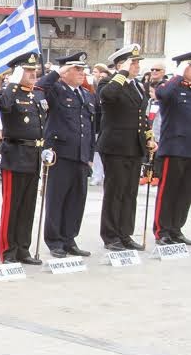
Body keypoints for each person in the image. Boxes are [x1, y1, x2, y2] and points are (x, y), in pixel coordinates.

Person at [36, 53, 95, 258]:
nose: (82, 73)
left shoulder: (86, 95)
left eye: (83, 69)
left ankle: (69, 238)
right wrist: (56, 72)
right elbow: (40, 87)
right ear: (65, 71)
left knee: (76, 200)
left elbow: (89, 126)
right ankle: (55, 241)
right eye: (77, 69)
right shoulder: (56, 90)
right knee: (57, 198)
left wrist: (89, 154)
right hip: (60, 154)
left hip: (80, 155)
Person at [96, 44, 154, 252]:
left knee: (130, 192)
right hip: (115, 146)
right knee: (115, 192)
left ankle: (125, 233)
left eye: (138, 63)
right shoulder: (108, 82)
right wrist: (121, 73)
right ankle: (111, 235)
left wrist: (149, 136)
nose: (137, 66)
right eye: (134, 63)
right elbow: (108, 96)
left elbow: (141, 115)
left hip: (134, 146)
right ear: (121, 65)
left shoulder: (137, 86)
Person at [0, 53, 46, 265]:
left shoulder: (37, 95)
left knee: (28, 206)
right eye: (27, 70)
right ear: (18, 72)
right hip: (15, 154)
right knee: (12, 206)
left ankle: (23, 248)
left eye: (34, 70)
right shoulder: (11, 93)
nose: (33, 73)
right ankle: (8, 250)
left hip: (34, 156)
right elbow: (4, 107)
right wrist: (11, 83)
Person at [152, 52, 191, 246]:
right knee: (168, 191)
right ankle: (162, 230)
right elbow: (162, 94)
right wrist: (177, 75)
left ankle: (176, 229)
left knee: (185, 193)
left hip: (189, 150)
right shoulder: (171, 88)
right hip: (174, 148)